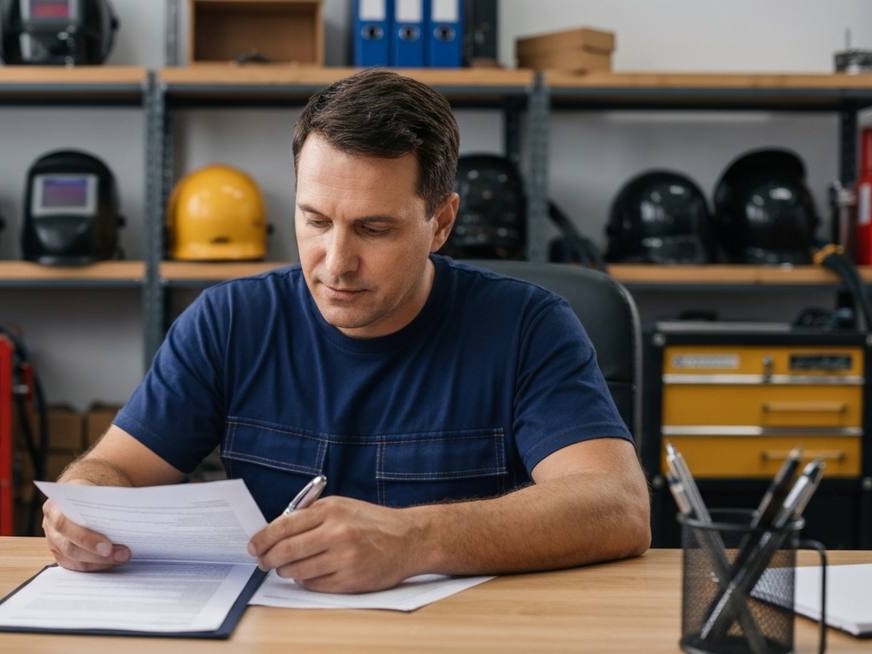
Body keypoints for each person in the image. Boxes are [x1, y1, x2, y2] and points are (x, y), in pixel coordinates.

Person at [43, 69, 650, 594]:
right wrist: (81, 507)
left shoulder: (528, 327)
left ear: (440, 223)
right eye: (315, 221)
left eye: (374, 229)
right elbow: (113, 472)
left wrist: (417, 539)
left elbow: (616, 506)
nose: (335, 263)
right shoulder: (229, 321)